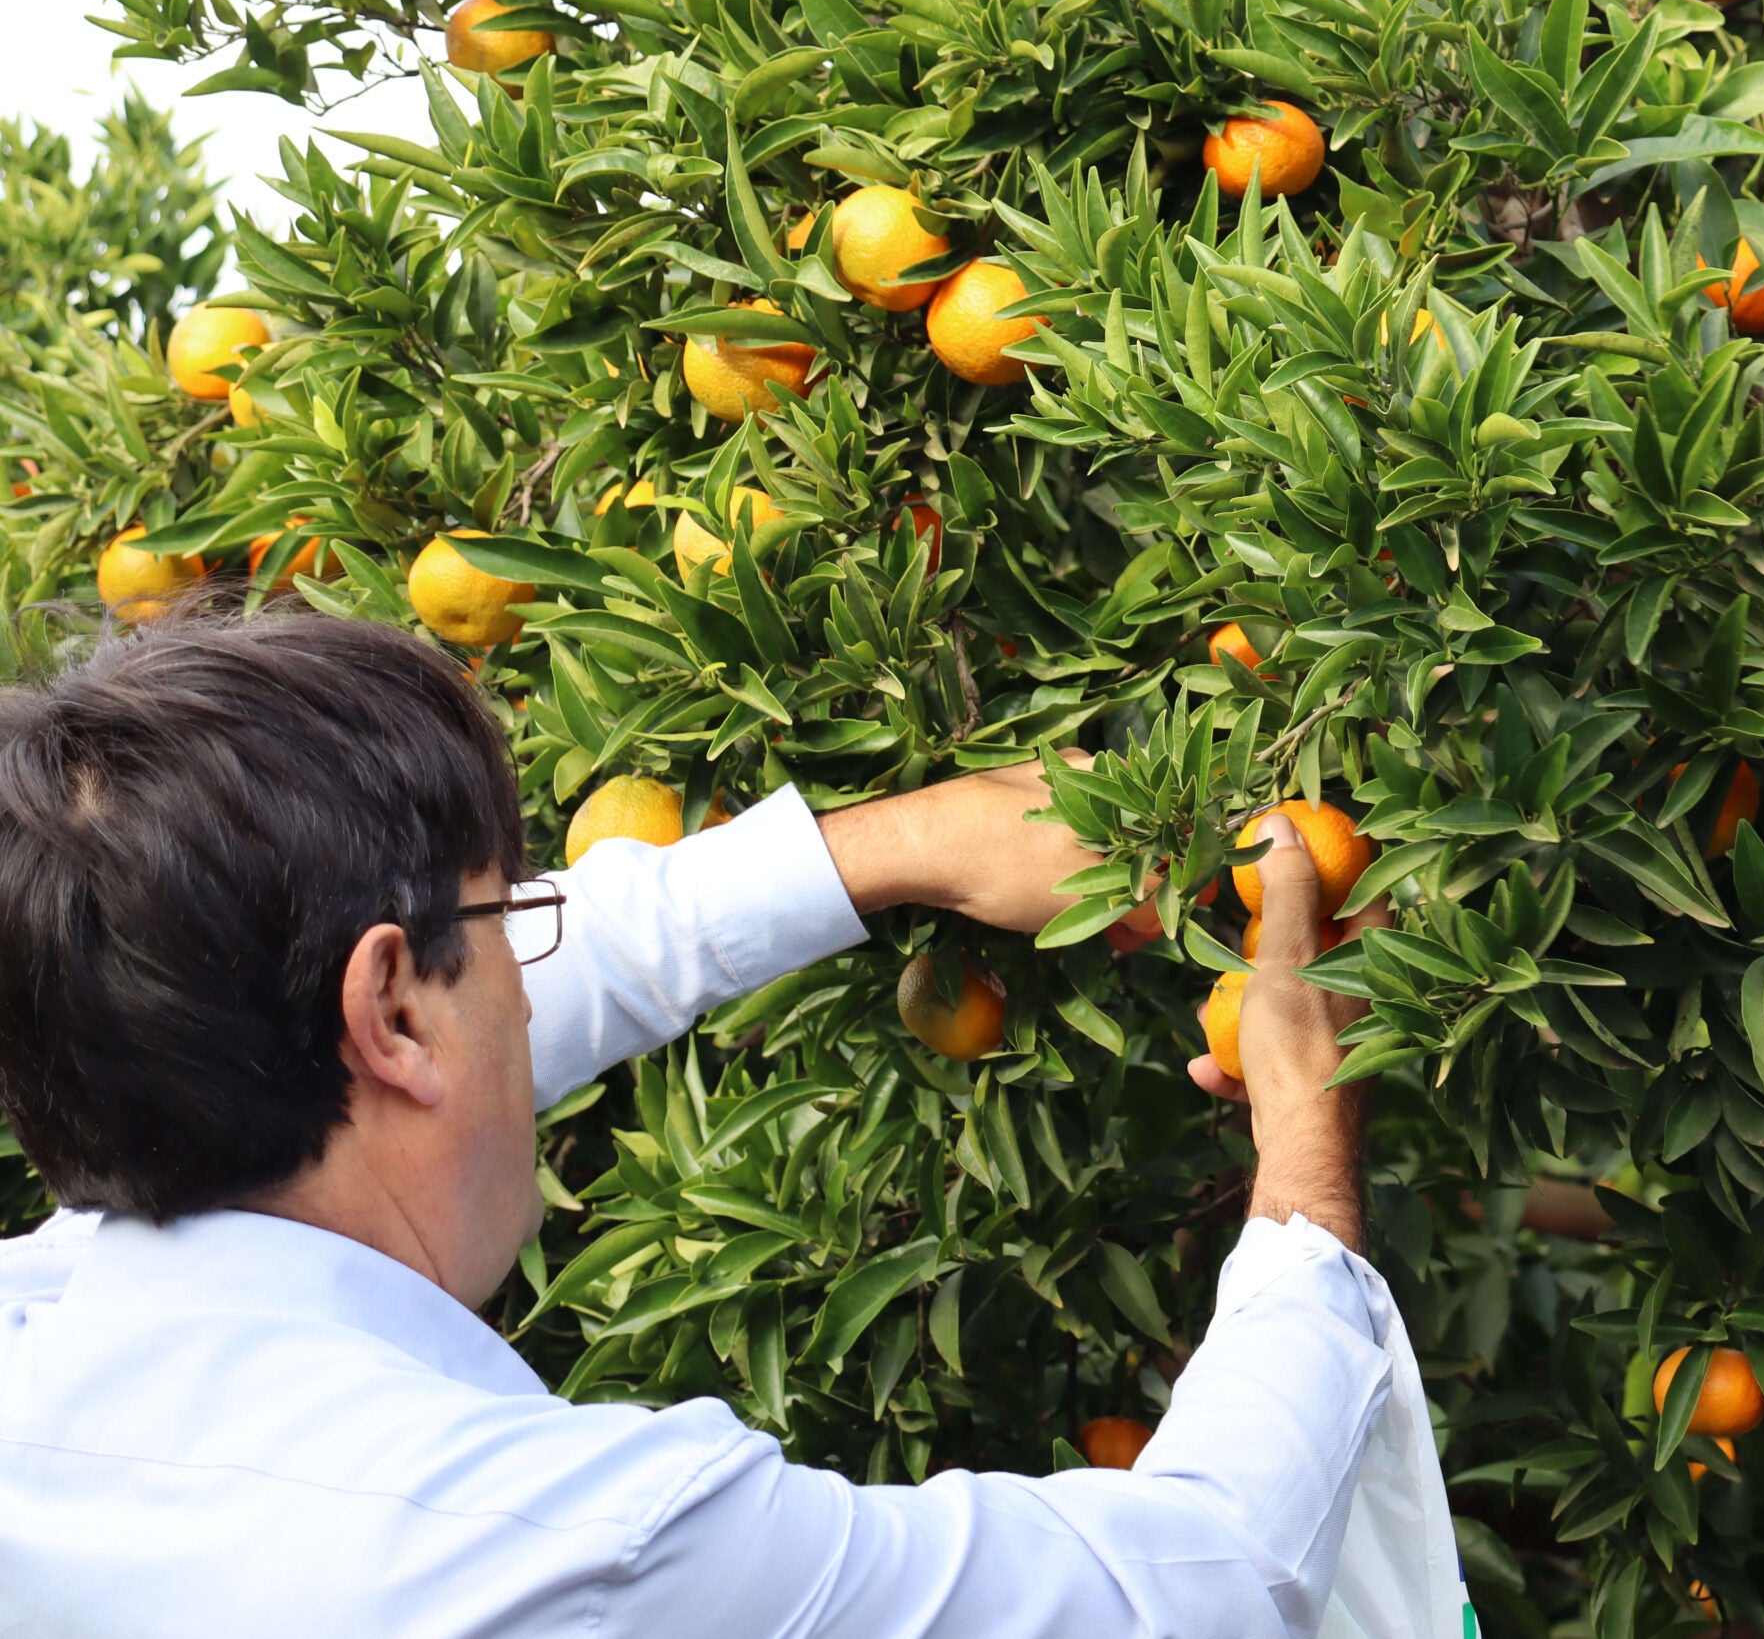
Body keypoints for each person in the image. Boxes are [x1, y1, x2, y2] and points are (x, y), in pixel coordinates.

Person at [0, 608, 1392, 1637]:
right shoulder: (570, 1551)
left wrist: (900, 842)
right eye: (505, 920)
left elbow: (510, 971)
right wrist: (1307, 1147)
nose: (533, 992)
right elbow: (1210, 1576)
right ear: (396, 1017)